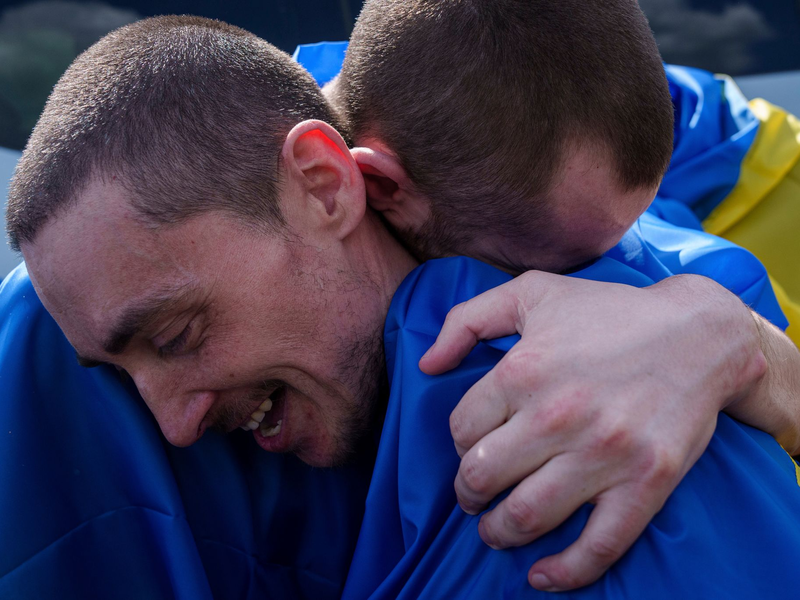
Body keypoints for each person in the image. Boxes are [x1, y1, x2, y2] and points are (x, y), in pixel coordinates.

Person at [5, 15, 800, 598]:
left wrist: (733, 337)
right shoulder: (88, 280)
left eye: (179, 337)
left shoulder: (622, 245)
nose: (171, 425)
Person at [312, 0, 800, 588]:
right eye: (552, 271)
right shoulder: (225, 191)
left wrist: (729, 333)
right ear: (379, 184)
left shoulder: (543, 154)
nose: (606, 277)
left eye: (617, 244)